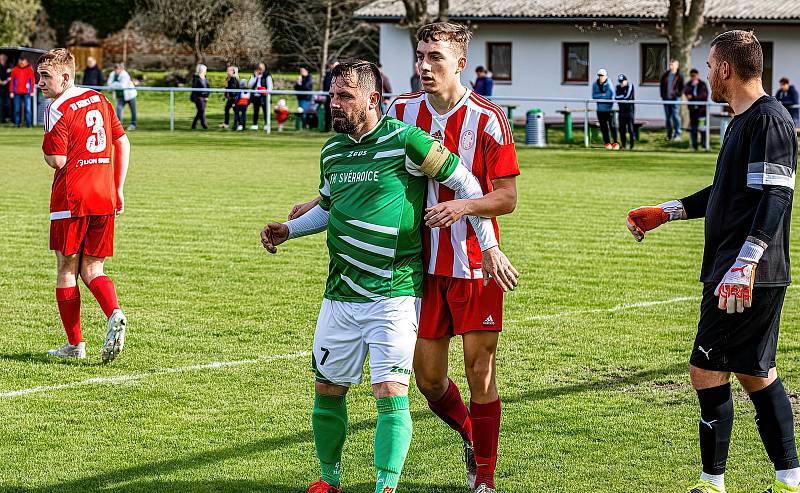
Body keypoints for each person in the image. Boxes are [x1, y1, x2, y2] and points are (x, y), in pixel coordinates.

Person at [285, 23, 521, 493]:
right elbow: (363, 163)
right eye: (420, 56)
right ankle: (473, 436)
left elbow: (507, 197)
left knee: (480, 370)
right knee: (429, 381)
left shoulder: (488, 118)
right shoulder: (401, 110)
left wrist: (466, 210)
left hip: (475, 260)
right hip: (418, 265)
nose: (424, 66)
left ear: (459, 62)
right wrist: (311, 209)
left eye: (435, 57)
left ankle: (485, 479)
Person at [627, 30, 799, 493]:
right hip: (742, 271)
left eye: (708, 64)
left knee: (706, 368)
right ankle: (788, 478)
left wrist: (745, 264)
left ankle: (712, 481)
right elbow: (728, 194)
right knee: (755, 371)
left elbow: (777, 197)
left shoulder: (769, 120)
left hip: (743, 275)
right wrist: (667, 211)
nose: (705, 72)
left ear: (725, 69)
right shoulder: (742, 121)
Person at [37, 48, 130, 363]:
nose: (40, 83)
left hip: (72, 199)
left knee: (67, 268)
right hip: (104, 196)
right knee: (94, 268)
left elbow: (56, 160)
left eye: (45, 76)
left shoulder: (56, 108)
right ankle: (114, 313)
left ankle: (75, 345)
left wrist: (46, 141)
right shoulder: (99, 99)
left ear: (65, 76)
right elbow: (123, 141)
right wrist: (118, 189)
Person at [684, 68, 710, 150]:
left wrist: (694, 97)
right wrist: (692, 88)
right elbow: (686, 92)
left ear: (697, 76)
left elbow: (704, 96)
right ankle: (694, 146)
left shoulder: (702, 84)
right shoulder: (689, 84)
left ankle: (704, 146)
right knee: (693, 129)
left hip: (701, 111)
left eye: (694, 76)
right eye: (691, 76)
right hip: (693, 111)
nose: (693, 77)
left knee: (702, 129)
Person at [593, 68, 618, 150]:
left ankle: (615, 143)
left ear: (605, 76)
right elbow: (594, 96)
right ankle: (607, 143)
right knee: (604, 128)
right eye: (599, 75)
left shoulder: (609, 84)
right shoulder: (595, 84)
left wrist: (601, 96)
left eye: (602, 75)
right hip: (600, 110)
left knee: (612, 126)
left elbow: (610, 96)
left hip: (609, 110)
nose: (600, 77)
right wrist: (602, 95)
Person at [660, 58, 685, 140]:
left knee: (676, 116)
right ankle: (669, 135)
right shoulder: (665, 75)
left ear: (677, 65)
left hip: (675, 99)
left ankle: (678, 134)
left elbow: (682, 87)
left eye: (672, 64)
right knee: (668, 117)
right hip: (666, 99)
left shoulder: (680, 75)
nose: (671, 66)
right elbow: (662, 87)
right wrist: (663, 96)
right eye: (670, 64)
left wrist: (677, 94)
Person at [109, 63, 137, 130]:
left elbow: (122, 86)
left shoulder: (125, 74)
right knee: (119, 110)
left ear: (121, 69)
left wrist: (114, 84)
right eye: (115, 69)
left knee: (133, 110)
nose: (116, 71)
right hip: (120, 96)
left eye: (118, 69)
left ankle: (133, 125)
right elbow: (109, 84)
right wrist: (116, 84)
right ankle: (119, 126)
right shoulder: (112, 74)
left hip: (130, 95)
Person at [9, 57, 36, 128]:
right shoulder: (15, 69)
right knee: (16, 109)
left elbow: (32, 81)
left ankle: (29, 125)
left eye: (23, 62)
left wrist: (32, 91)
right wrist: (11, 91)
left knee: (27, 109)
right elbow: (12, 81)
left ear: (26, 62)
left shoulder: (30, 69)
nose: (21, 63)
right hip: (16, 92)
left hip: (27, 92)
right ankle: (16, 124)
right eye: (20, 62)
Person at [248, 63, 273, 130]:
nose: (260, 69)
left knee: (265, 111)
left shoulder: (267, 76)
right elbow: (250, 84)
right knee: (255, 111)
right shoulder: (254, 75)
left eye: (261, 68)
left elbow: (270, 87)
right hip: (255, 96)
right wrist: (255, 76)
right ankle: (255, 124)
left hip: (264, 96)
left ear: (264, 68)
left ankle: (267, 125)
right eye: (259, 68)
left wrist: (264, 91)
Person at [615, 73, 635, 150]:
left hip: (629, 111)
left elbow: (627, 97)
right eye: (620, 81)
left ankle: (632, 146)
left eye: (622, 81)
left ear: (626, 81)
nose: (621, 83)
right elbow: (615, 97)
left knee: (630, 129)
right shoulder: (617, 87)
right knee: (621, 129)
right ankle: (623, 145)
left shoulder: (630, 86)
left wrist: (621, 97)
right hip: (621, 111)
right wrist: (622, 96)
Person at [190, 63, 210, 130]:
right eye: (205, 70)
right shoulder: (196, 78)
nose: (206, 71)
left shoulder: (205, 78)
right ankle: (204, 125)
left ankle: (194, 125)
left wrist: (207, 96)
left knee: (200, 111)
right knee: (201, 110)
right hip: (198, 97)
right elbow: (194, 88)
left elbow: (208, 87)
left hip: (204, 97)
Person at [220, 65, 239, 129]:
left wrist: (230, 95)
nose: (227, 72)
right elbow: (226, 88)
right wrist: (225, 96)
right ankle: (226, 123)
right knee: (227, 109)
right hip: (230, 98)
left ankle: (239, 123)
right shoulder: (227, 79)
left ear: (233, 72)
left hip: (234, 98)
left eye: (228, 70)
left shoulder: (234, 79)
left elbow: (233, 90)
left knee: (235, 110)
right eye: (227, 70)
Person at [322, 60, 337, 132]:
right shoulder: (328, 74)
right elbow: (325, 86)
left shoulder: (340, 74)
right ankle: (327, 128)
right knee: (327, 113)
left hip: (337, 97)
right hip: (328, 97)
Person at [0, 53, 10, 124]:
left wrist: (7, 80)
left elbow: (11, 76)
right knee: (0, 104)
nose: (3, 59)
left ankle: (5, 118)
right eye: (1, 58)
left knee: (7, 104)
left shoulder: (8, 67)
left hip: (6, 89)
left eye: (4, 58)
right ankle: (1, 119)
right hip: (0, 89)